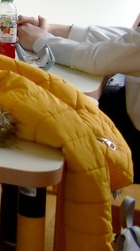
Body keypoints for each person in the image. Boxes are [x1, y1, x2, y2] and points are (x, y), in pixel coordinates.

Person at [17, 14, 140, 181]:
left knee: (49, 116)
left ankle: (28, 188)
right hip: (128, 106)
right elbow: (128, 40)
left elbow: (95, 59)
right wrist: (56, 30)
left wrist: (42, 41)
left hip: (134, 141)